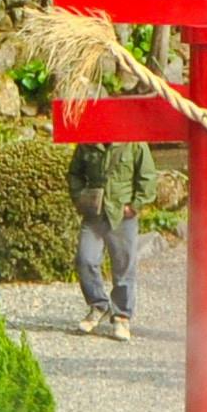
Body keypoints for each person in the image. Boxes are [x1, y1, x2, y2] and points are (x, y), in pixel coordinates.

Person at [69, 137, 154, 339]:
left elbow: (147, 177)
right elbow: (75, 173)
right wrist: (80, 197)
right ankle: (98, 305)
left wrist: (135, 206)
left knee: (123, 267)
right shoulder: (87, 142)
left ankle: (122, 317)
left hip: (122, 215)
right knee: (85, 259)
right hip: (94, 213)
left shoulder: (134, 142)